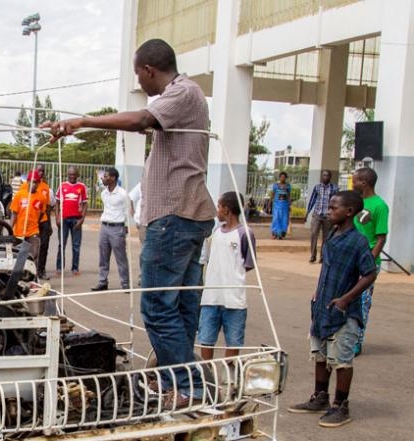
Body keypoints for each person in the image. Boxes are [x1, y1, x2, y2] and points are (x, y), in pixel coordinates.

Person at [43, 38, 216, 405]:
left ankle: (190, 387)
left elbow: (140, 120)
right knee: (181, 307)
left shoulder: (182, 92)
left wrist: (82, 121)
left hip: (174, 217)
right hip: (185, 216)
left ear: (149, 70)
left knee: (156, 309)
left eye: (139, 76)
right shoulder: (184, 96)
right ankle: (177, 383)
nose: (141, 84)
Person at [288, 191, 377, 427]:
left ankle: (341, 406)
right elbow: (326, 269)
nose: (329, 211)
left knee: (341, 360)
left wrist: (346, 299)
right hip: (322, 306)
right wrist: (318, 293)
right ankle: (320, 397)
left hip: (344, 311)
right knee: (320, 353)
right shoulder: (333, 234)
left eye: (334, 208)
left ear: (349, 212)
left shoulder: (357, 241)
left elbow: (369, 274)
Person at [198, 192, 256, 360]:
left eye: (219, 206)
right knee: (205, 339)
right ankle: (207, 375)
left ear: (227, 209)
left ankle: (228, 377)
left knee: (233, 341)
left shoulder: (245, 233)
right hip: (211, 297)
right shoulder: (215, 233)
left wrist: (232, 275)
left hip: (234, 299)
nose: (217, 210)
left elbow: (248, 264)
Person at [351, 167, 388, 357]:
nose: (352, 183)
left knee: (363, 301)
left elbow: (381, 238)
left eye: (354, 180)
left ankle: (357, 341)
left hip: (367, 262)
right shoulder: (355, 202)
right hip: (351, 259)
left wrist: (368, 261)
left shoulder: (379, 206)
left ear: (363, 183)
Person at [91, 167, 130, 291]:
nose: (104, 178)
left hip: (117, 228)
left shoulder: (123, 194)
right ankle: (102, 282)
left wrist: (125, 227)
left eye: (106, 176)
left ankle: (125, 283)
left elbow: (127, 211)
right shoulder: (104, 193)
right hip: (104, 227)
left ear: (113, 178)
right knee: (103, 257)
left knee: (121, 257)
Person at [55, 166, 88, 276]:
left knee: (76, 245)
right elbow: (57, 202)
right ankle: (59, 267)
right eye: (70, 174)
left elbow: (85, 204)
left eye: (74, 174)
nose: (72, 176)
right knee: (61, 244)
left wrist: (82, 219)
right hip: (64, 219)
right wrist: (57, 217)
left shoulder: (81, 187)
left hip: (76, 220)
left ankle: (75, 268)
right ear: (67, 174)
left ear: (77, 175)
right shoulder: (62, 185)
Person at [10, 171, 49, 261]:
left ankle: (33, 274)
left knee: (33, 255)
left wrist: (35, 223)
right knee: (16, 257)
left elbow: (42, 213)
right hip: (19, 233)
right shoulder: (19, 195)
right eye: (31, 181)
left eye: (35, 182)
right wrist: (10, 229)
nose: (33, 184)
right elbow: (14, 214)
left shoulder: (41, 198)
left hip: (33, 232)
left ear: (39, 183)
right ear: (27, 182)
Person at [306, 169, 338, 263]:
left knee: (326, 237)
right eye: (324, 175)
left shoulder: (334, 188)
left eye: (327, 175)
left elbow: (336, 203)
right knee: (313, 234)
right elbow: (312, 200)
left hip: (328, 216)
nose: (325, 177)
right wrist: (307, 212)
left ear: (330, 177)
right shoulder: (317, 187)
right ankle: (313, 255)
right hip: (317, 214)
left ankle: (323, 256)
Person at [33, 165, 54, 280]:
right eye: (38, 170)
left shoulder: (46, 188)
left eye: (42, 171)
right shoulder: (28, 185)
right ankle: (32, 270)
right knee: (33, 247)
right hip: (32, 222)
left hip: (44, 221)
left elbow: (48, 208)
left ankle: (42, 270)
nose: (40, 172)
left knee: (44, 245)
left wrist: (50, 224)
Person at [128, 179, 143, 285]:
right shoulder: (142, 184)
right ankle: (143, 276)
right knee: (145, 249)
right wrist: (132, 211)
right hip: (142, 222)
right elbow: (131, 197)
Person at [270, 172, 291, 239]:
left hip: (285, 206)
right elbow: (272, 194)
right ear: (279, 177)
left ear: (286, 178)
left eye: (284, 177)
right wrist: (270, 202)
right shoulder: (275, 185)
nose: (282, 178)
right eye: (281, 177)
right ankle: (274, 233)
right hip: (276, 205)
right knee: (276, 218)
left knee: (284, 219)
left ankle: (281, 234)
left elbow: (289, 195)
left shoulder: (288, 186)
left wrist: (289, 204)